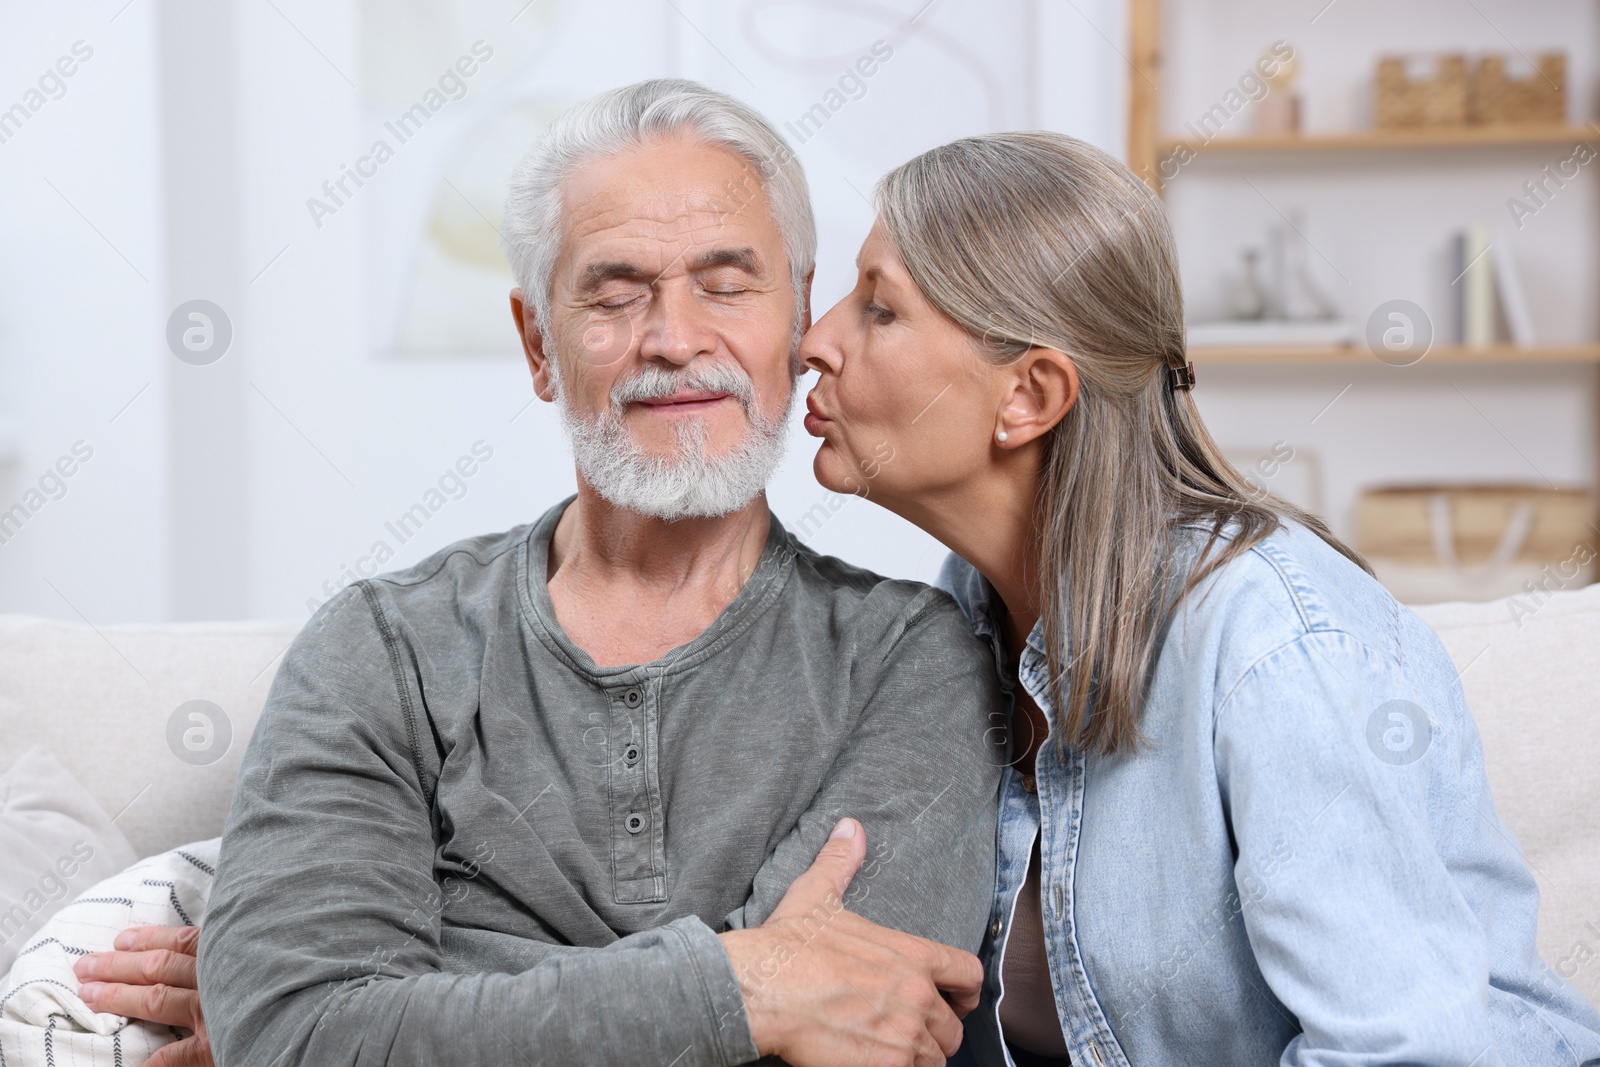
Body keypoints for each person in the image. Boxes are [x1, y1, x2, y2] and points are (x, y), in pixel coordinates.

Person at [69, 79, 1005, 1067]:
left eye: (727, 284)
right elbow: (301, 1033)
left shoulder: (908, 656)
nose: (675, 337)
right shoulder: (383, 648)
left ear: (799, 317)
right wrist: (744, 986)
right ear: (537, 343)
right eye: (614, 292)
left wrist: (437, 992)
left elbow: (869, 1030)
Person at [796, 129, 1600, 1065]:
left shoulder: (1275, 641)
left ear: (1030, 395)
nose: (816, 342)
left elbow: (1408, 1053)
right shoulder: (966, 613)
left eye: (878, 309)